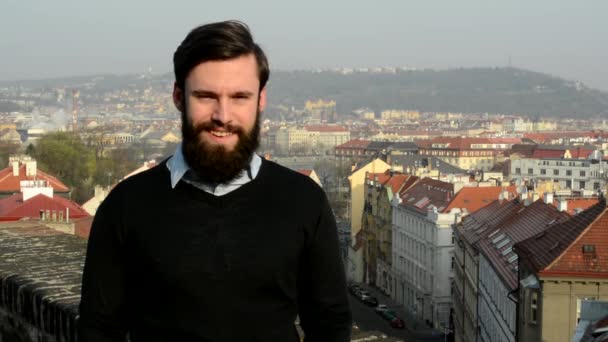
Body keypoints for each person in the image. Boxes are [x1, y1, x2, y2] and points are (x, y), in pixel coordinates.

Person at [78, 20, 352, 341]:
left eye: (239, 97)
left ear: (260, 100)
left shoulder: (304, 201)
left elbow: (329, 325)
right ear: (179, 97)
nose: (223, 115)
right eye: (206, 96)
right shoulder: (126, 205)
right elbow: (98, 330)